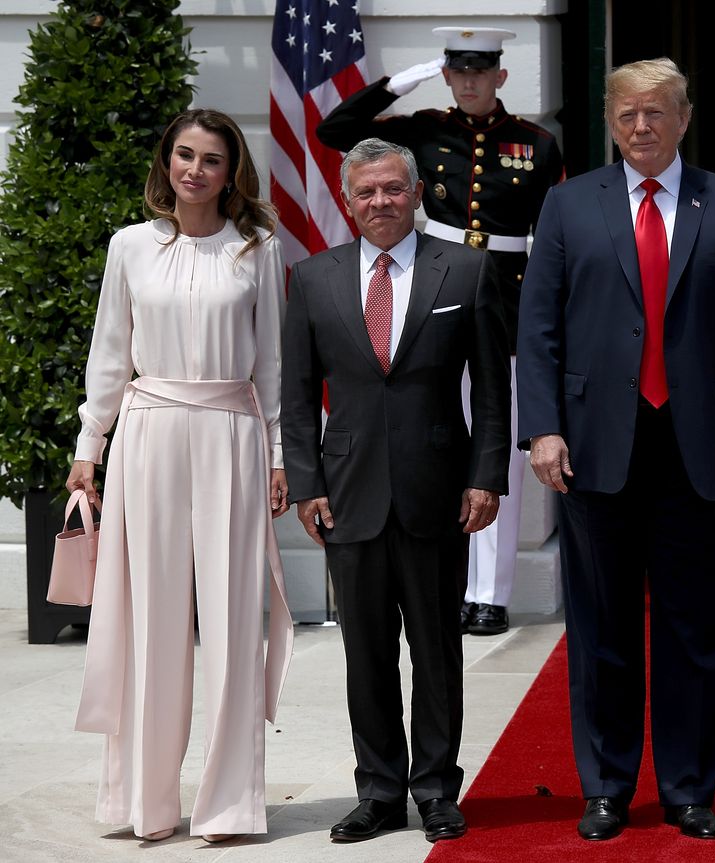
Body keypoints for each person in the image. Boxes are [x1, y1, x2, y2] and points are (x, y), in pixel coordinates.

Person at [518, 57, 715, 842]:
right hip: (595, 447)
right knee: (601, 626)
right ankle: (605, 784)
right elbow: (539, 326)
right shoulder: (569, 205)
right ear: (610, 120)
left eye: (657, 113)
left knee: (695, 629)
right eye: (628, 114)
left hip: (698, 446)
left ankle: (689, 787)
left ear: (684, 117)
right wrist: (543, 427)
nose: (642, 127)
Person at [65, 108, 294, 843]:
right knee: (148, 620)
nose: (195, 169)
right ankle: (146, 800)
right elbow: (109, 352)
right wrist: (87, 446)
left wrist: (279, 452)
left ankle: (230, 803)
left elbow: (272, 365)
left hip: (232, 431)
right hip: (149, 432)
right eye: (184, 155)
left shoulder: (256, 249)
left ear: (232, 174)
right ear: (166, 162)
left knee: (232, 622)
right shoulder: (129, 246)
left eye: (212, 159)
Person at [280, 138, 509, 844]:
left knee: (438, 652)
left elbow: (496, 393)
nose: (380, 202)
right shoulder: (313, 279)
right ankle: (378, 790)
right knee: (367, 654)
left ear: (415, 193)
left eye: (392, 189)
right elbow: (293, 394)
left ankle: (437, 790)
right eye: (365, 193)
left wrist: (486, 475)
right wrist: (307, 484)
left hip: (437, 491)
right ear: (347, 202)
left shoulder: (466, 270)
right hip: (347, 495)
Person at [317, 26, 565, 636]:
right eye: (459, 71)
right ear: (449, 74)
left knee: (497, 447)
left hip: (505, 298)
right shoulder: (423, 128)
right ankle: (450, 579)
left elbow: (552, 235)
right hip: (437, 290)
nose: (471, 82)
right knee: (440, 438)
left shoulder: (537, 143)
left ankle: (490, 593)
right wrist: (407, 78)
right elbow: (334, 132)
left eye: (481, 71)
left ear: (501, 76)